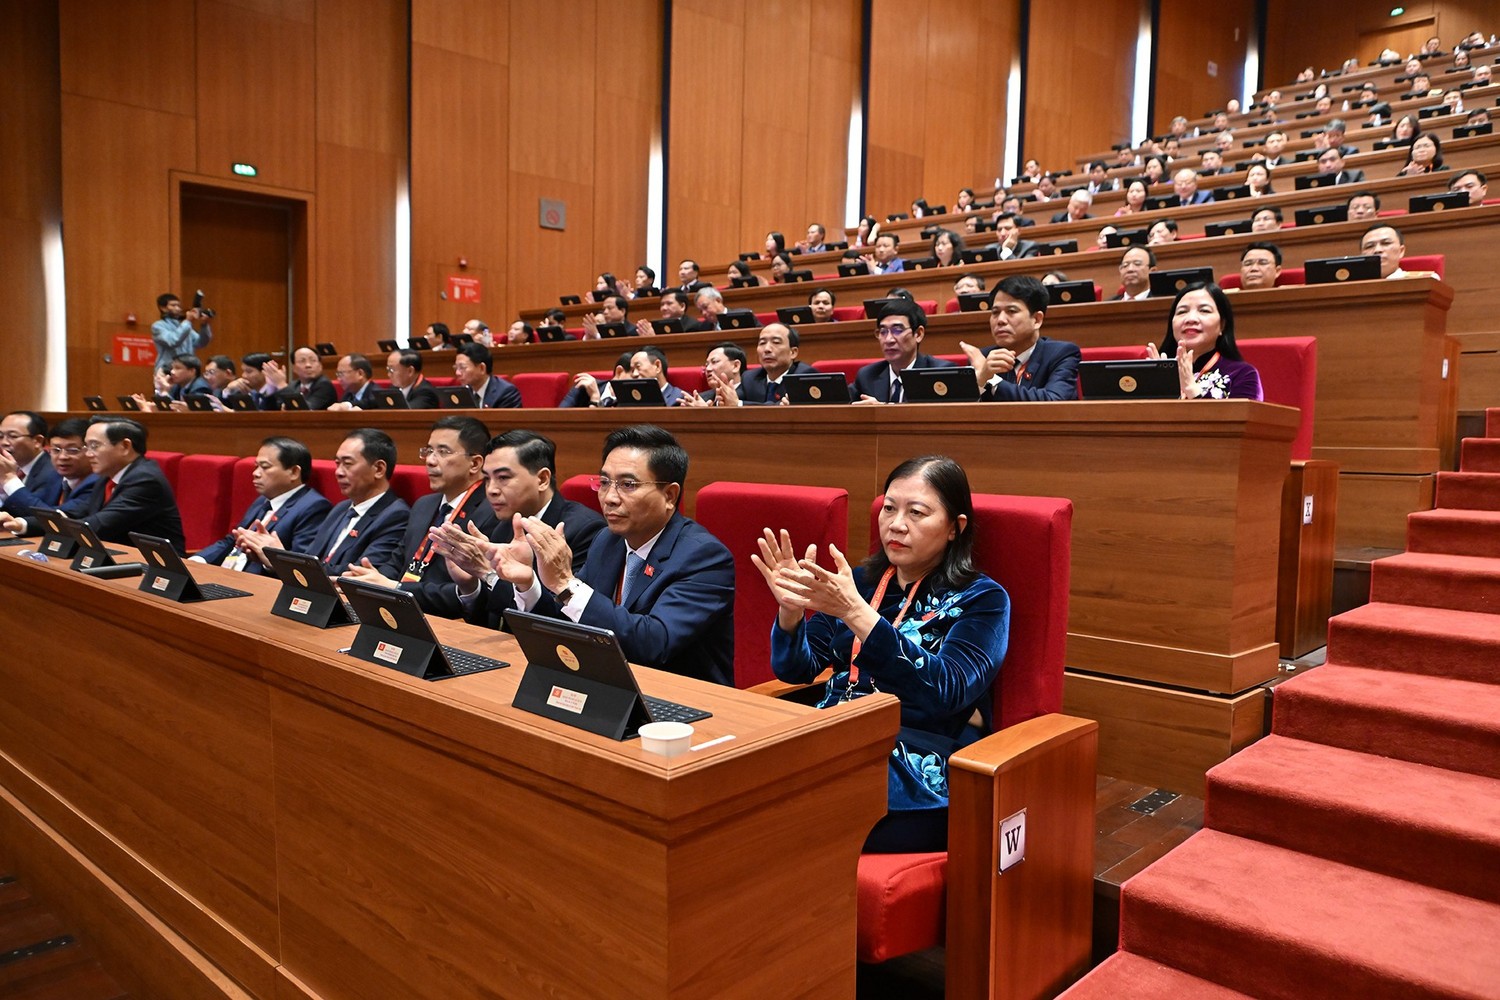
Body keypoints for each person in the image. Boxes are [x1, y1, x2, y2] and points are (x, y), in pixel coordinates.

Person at [756, 455, 1008, 852]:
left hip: (915, 763)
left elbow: (947, 691)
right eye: (889, 508)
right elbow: (796, 670)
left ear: (955, 528)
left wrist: (856, 613)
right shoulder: (859, 580)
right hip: (832, 738)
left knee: (773, 823)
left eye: (917, 512)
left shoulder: (983, 599)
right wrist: (790, 611)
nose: (897, 523)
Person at [484, 424, 735, 685]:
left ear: (670, 495)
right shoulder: (608, 540)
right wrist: (529, 584)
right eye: (604, 483)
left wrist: (565, 584)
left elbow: (653, 644)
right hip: (612, 689)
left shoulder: (705, 557)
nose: (609, 498)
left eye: (628, 484)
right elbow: (572, 619)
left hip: (684, 701)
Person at [438, 430, 607, 632]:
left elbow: (562, 619)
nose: (491, 489)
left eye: (503, 477)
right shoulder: (499, 525)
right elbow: (492, 622)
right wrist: (470, 586)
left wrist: (489, 574)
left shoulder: (583, 530)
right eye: (487, 479)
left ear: (543, 479)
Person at [342, 416, 499, 618]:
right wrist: (371, 579)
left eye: (443, 452)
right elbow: (398, 562)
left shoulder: (491, 511)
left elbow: (466, 592)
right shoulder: (424, 505)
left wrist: (395, 587)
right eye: (429, 451)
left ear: (475, 463)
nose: (431, 461)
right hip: (401, 610)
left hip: (448, 620)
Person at [0, 417, 184, 552]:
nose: (88, 454)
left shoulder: (145, 480)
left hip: (155, 566)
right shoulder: (108, 475)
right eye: (86, 447)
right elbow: (75, 513)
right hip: (119, 557)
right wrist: (21, 523)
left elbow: (95, 526)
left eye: (94, 446)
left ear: (125, 447)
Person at [263, 428, 409, 575]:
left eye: (347, 463)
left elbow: (359, 574)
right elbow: (309, 558)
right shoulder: (341, 508)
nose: (338, 472)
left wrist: (284, 561)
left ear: (378, 469)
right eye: (337, 463)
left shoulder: (396, 516)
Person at [191, 436, 331, 574]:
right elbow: (232, 541)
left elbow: (302, 567)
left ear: (294, 472)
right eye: (256, 466)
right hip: (227, 575)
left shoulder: (314, 507)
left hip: (258, 584)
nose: (255, 473)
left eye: (265, 467)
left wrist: (270, 562)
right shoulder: (263, 500)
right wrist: (198, 560)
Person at [957, 275, 1080, 402]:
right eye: (995, 312)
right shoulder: (983, 357)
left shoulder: (1062, 353)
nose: (1000, 320)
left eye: (1011, 311)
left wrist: (991, 380)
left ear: (1037, 320)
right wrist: (981, 380)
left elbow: (1053, 401)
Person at [1147, 284, 1262, 400]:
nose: (1191, 319)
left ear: (1222, 325)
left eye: (1204, 310)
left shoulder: (1243, 374)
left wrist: (1192, 390)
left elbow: (1242, 417)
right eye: (1182, 312)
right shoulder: (1156, 372)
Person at [852, 299, 955, 403]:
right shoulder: (867, 376)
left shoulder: (940, 373)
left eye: (897, 330)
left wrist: (882, 410)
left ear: (918, 334)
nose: (888, 340)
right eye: (883, 332)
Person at [0, 416, 95, 515]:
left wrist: (10, 480)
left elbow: (58, 519)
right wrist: (21, 524)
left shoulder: (96, 484)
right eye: (56, 450)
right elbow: (30, 508)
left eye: (72, 450)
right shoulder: (56, 478)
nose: (62, 457)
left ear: (91, 451)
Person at [0, 412, 59, 516]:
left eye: (13, 436)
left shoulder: (53, 471)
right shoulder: (10, 467)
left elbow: (39, 515)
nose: (4, 442)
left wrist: (9, 480)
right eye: (0, 436)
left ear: (38, 441)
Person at [741, 324, 816, 404]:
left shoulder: (804, 376)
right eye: (762, 343)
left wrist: (739, 404)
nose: (767, 349)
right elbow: (733, 399)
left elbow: (774, 410)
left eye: (776, 342)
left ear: (793, 352)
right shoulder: (749, 377)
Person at [150, 292, 213, 371]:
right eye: (173, 305)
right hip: (168, 370)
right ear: (163, 308)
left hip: (186, 369)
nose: (177, 309)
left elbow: (201, 343)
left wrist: (204, 325)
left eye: (178, 306)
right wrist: (188, 321)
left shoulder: (183, 325)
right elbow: (173, 341)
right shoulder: (158, 326)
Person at [453, 342, 522, 408]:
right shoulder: (462, 392)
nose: (457, 373)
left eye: (462, 367)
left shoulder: (506, 393)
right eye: (456, 368)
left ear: (482, 368)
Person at [611, 346, 685, 406]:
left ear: (657, 366)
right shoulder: (625, 400)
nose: (634, 374)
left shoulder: (679, 399)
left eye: (638, 367)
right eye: (632, 370)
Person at [561, 350, 634, 408]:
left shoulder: (635, 401)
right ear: (619, 372)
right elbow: (560, 418)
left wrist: (595, 400)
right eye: (635, 377)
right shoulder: (584, 387)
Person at [683, 342, 748, 407]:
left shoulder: (752, 394)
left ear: (735, 366)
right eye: (707, 365)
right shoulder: (701, 398)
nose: (708, 369)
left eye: (714, 362)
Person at [223, 352, 288, 410]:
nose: (243, 375)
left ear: (265, 372)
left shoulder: (276, 393)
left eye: (249, 371)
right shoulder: (244, 390)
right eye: (243, 371)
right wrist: (229, 389)